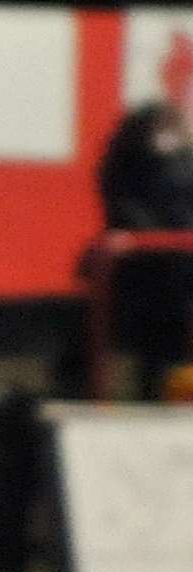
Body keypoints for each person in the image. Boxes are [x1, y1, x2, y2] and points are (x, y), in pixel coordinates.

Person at [95, 102, 193, 400]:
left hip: (179, 270)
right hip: (150, 278)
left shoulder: (184, 163)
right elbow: (124, 209)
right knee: (158, 347)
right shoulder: (126, 165)